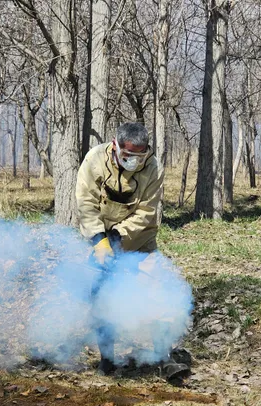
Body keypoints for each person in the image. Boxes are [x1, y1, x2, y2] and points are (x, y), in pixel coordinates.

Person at [75, 122, 189, 380]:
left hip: (139, 243)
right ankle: (107, 360)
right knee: (102, 298)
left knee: (159, 293)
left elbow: (147, 213)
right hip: (99, 240)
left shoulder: (154, 168)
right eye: (128, 156)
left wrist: (119, 237)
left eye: (140, 156)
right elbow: (85, 204)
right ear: (115, 146)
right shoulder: (94, 160)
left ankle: (164, 358)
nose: (134, 162)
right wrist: (100, 240)